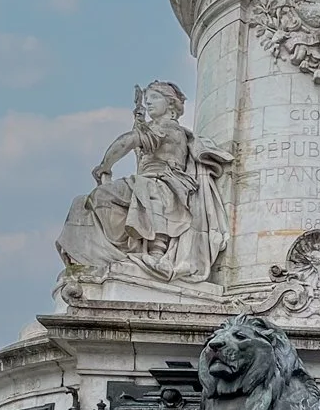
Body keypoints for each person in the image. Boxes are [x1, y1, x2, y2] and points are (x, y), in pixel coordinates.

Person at [58, 81, 231, 283]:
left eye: (155, 97)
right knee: (87, 201)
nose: (148, 103)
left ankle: (143, 251)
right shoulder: (153, 127)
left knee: (106, 196)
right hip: (148, 181)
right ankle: (107, 252)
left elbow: (128, 141)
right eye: (147, 99)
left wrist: (105, 166)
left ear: (172, 104)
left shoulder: (169, 128)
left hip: (165, 182)